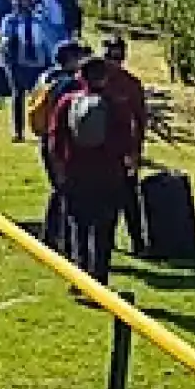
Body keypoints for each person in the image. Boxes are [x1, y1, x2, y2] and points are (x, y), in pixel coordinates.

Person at [50, 56, 133, 285]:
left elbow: (56, 138)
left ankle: (80, 277)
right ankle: (100, 278)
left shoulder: (67, 102)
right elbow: (126, 140)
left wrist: (60, 169)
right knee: (104, 230)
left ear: (80, 76)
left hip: (75, 173)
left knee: (79, 227)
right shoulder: (117, 104)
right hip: (109, 176)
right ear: (105, 78)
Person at [32, 40, 84, 251]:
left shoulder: (46, 78)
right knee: (67, 191)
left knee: (59, 189)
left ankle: (50, 235)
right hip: (63, 143)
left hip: (46, 139)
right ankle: (64, 240)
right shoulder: (70, 84)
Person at [104, 35, 148, 256]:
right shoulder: (94, 81)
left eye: (117, 57)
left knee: (130, 200)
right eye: (110, 56)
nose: (114, 62)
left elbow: (140, 120)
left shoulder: (130, 85)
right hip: (101, 153)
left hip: (122, 152)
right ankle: (107, 241)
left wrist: (136, 153)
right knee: (107, 203)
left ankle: (138, 242)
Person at [0, 0, 54, 141]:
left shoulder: (40, 19)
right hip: (18, 64)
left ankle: (42, 128)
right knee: (18, 96)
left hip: (40, 63)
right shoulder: (10, 20)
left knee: (41, 97)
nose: (19, 3)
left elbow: (48, 41)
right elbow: (4, 39)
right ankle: (18, 132)